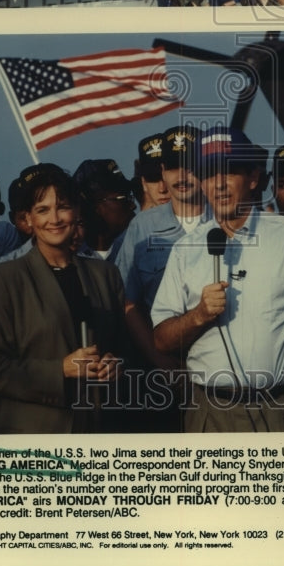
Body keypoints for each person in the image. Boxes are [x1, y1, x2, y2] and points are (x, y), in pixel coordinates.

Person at [151, 126, 284, 433]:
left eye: (230, 172)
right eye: (208, 174)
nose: (218, 184)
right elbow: (162, 340)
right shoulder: (183, 250)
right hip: (210, 413)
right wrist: (199, 316)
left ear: (253, 179)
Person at [0, 164, 125, 433]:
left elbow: (123, 348)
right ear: (28, 219)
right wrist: (61, 370)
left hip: (97, 430)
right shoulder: (3, 278)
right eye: (42, 210)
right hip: (33, 433)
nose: (54, 218)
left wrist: (115, 364)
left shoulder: (106, 274)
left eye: (63, 206)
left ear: (77, 212)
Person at [112, 125, 204, 429]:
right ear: (162, 171)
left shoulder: (225, 220)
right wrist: (159, 361)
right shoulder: (142, 228)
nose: (181, 177)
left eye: (189, 166)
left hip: (218, 373)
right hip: (160, 375)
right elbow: (128, 302)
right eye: (173, 167)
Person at [73, 159, 136, 261]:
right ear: (95, 207)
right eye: (124, 198)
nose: (133, 205)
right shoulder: (74, 261)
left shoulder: (139, 247)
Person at [133, 133, 171, 211]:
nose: (162, 189)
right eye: (152, 179)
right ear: (144, 184)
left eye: (167, 177)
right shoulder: (138, 223)